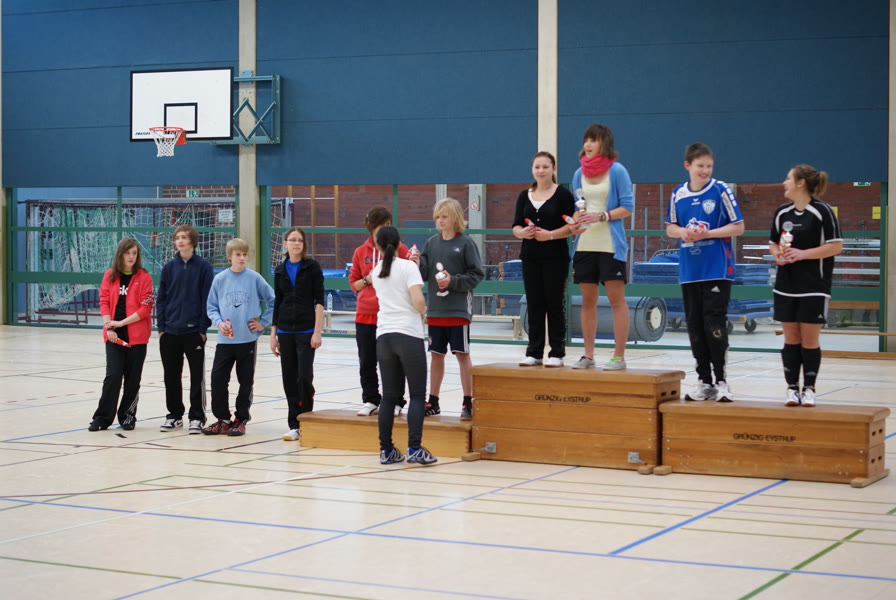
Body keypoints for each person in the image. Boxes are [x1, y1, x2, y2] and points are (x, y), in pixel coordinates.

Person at [666, 143, 745, 402]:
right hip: (690, 270)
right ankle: (704, 381)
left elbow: (738, 226)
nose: (705, 170)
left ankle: (721, 380)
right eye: (700, 166)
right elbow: (670, 227)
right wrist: (683, 232)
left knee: (713, 323)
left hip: (716, 268)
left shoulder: (720, 190)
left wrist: (708, 233)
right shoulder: (678, 194)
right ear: (687, 166)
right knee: (695, 326)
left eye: (709, 166)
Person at [770, 164, 842, 407]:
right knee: (790, 339)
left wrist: (802, 254)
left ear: (800, 183)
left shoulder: (822, 212)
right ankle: (792, 389)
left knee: (809, 340)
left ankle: (809, 389)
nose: (784, 183)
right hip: (785, 285)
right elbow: (773, 243)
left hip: (813, 286)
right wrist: (778, 255)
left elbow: (836, 246)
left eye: (788, 178)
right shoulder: (782, 213)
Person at [568, 123, 634, 370]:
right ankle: (588, 355)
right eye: (586, 140)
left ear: (604, 143)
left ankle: (619, 356)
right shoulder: (578, 174)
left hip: (610, 245)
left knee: (616, 300)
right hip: (585, 244)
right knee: (587, 300)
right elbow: (578, 207)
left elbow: (627, 207)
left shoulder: (617, 171)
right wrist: (574, 223)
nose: (588, 144)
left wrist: (602, 216)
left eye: (593, 140)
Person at [370, 226, 436, 465]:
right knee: (417, 395)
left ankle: (386, 451)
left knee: (388, 396)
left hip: (384, 336)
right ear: (399, 244)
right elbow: (418, 301)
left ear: (377, 246)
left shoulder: (376, 270)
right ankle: (415, 448)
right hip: (408, 334)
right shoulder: (408, 267)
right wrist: (423, 312)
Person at [415, 197, 484, 420]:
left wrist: (452, 281)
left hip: (458, 311)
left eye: (444, 216)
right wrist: (416, 263)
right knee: (436, 356)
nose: (440, 220)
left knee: (462, 355)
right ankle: (433, 401)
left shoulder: (466, 243)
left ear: (454, 217)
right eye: (437, 217)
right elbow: (423, 274)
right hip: (436, 311)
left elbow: (476, 275)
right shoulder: (431, 243)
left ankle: (468, 402)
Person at [203, 238, 275, 436]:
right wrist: (219, 323)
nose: (242, 258)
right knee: (218, 379)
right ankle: (223, 419)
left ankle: (241, 419)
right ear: (229, 257)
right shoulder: (220, 279)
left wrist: (263, 323)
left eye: (244, 254)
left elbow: (273, 300)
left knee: (245, 381)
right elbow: (211, 307)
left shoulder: (254, 278)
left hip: (247, 340)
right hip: (225, 341)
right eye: (238, 255)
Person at [512, 151, 576, 367]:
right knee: (534, 303)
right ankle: (534, 351)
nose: (541, 171)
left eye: (545, 167)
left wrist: (550, 235)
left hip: (555, 258)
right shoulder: (524, 196)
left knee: (554, 303)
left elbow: (572, 226)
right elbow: (516, 225)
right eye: (537, 167)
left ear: (554, 169)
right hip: (530, 257)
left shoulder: (563, 195)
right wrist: (522, 233)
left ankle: (557, 352)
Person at [349, 207, 410, 417]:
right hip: (366, 314)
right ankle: (370, 399)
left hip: (392, 315)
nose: (385, 228)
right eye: (381, 225)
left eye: (388, 224)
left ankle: (395, 400)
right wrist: (368, 279)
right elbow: (354, 284)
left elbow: (410, 277)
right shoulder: (360, 252)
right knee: (367, 360)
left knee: (394, 361)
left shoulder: (401, 249)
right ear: (371, 227)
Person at [88, 238, 154, 431]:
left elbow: (145, 308)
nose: (131, 257)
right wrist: (109, 327)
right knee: (113, 376)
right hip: (113, 336)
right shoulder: (110, 275)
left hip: (137, 336)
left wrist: (121, 323)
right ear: (120, 254)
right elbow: (104, 301)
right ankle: (102, 418)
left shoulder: (144, 277)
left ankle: (127, 416)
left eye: (134, 253)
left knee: (133, 379)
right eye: (128, 253)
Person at [156, 225, 214, 433]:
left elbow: (207, 299)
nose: (180, 241)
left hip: (193, 332)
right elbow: (161, 299)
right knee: (171, 376)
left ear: (192, 241)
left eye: (184, 237)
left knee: (196, 376)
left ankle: (197, 417)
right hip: (170, 331)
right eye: (177, 238)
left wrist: (202, 328)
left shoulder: (204, 267)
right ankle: (174, 415)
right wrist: (161, 327)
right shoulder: (169, 268)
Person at [271, 227, 324, 441]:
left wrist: (317, 332)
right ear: (285, 243)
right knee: (289, 379)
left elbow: (319, 301)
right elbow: (278, 302)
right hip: (285, 330)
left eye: (300, 240)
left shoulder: (312, 267)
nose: (296, 243)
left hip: (306, 330)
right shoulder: (279, 270)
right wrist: (273, 335)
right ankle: (294, 424)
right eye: (292, 240)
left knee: (304, 377)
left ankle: (306, 418)